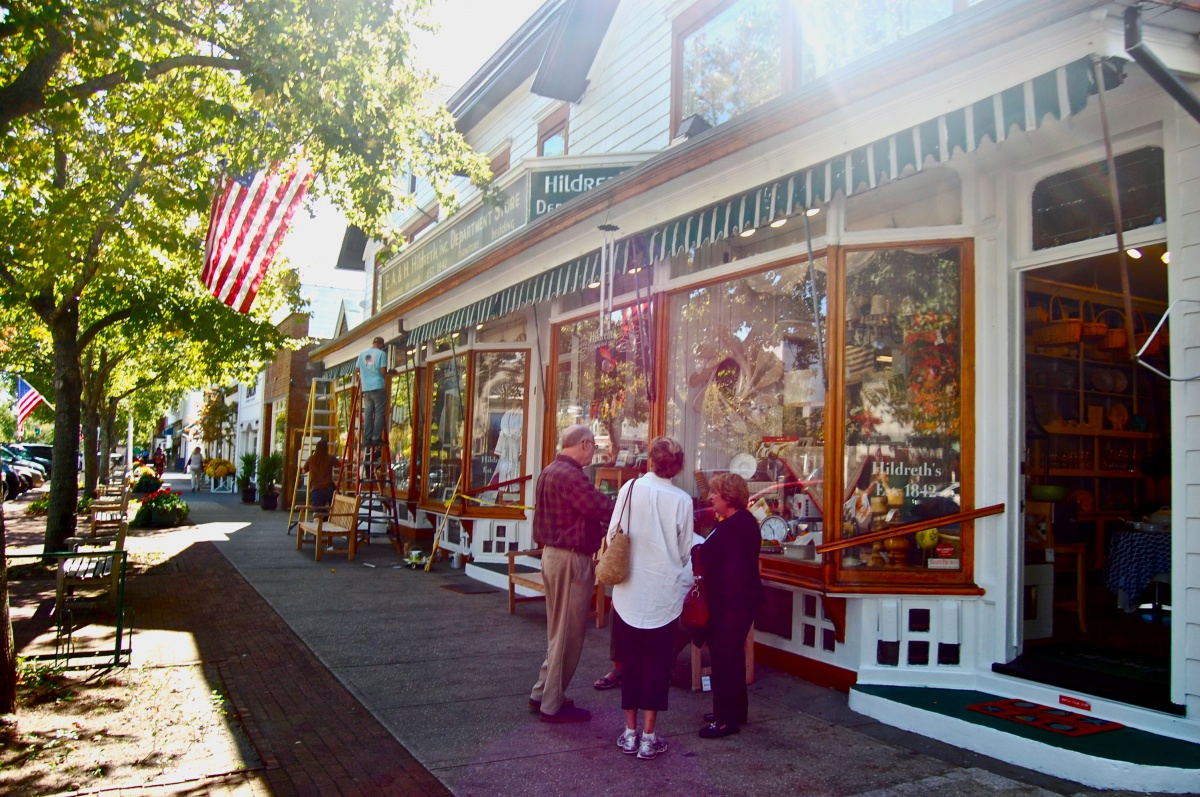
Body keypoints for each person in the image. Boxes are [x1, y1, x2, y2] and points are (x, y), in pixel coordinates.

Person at [608, 436, 693, 761]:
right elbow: (685, 552)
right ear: (678, 465)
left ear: (650, 460)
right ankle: (648, 736)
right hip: (664, 595)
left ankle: (629, 733)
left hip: (629, 592)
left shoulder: (629, 489)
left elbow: (613, 533)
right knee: (658, 666)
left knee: (630, 663)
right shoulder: (682, 500)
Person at [529, 424, 614, 724]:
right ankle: (552, 704)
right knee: (569, 633)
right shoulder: (572, 476)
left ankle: (542, 692)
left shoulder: (549, 470)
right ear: (585, 444)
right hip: (570, 559)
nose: (594, 453)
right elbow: (600, 507)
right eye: (594, 447)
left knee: (557, 631)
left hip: (552, 555)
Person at [696, 472, 764, 739]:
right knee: (733, 656)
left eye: (715, 493)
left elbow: (726, 567)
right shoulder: (742, 522)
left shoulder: (733, 527)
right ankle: (735, 710)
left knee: (724, 658)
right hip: (740, 602)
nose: (711, 497)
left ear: (729, 498)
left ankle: (725, 720)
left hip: (731, 604)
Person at [356, 336, 388, 448]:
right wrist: (389, 372)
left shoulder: (362, 354)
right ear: (380, 345)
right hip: (378, 385)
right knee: (379, 411)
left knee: (369, 411)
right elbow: (383, 371)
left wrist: (367, 374)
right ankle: (376, 438)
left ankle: (367, 437)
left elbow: (357, 370)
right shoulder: (381, 354)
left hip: (366, 387)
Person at [303, 439, 336, 509]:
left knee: (318, 512)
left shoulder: (311, 459)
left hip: (316, 488)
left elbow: (304, 470)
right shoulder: (330, 458)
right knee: (333, 507)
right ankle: (327, 517)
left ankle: (322, 517)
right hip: (329, 488)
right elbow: (340, 465)